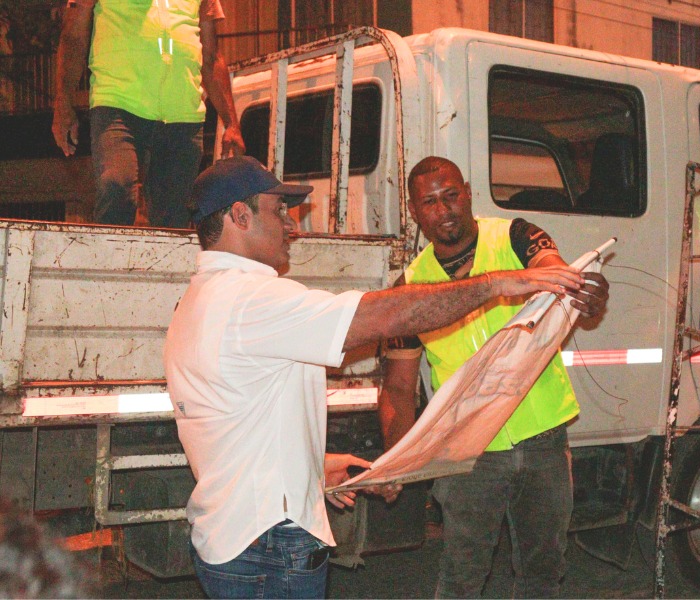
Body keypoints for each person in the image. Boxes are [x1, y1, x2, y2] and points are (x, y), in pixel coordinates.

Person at [162, 156, 591, 599]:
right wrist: (496, 284)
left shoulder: (200, 300)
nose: (292, 226)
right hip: (268, 544)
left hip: (236, 535)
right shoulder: (250, 299)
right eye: (278, 211)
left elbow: (236, 419)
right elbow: (384, 316)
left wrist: (314, 467)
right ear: (239, 215)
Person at [378, 156, 609, 598]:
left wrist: (584, 293)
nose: (444, 209)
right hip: (466, 446)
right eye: (429, 202)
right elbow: (399, 385)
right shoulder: (409, 288)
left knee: (543, 572)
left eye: (451, 196)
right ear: (413, 211)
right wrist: (397, 457)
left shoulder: (515, 236)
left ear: (467, 192)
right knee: (463, 575)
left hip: (542, 436)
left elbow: (554, 269)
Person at [51, 0, 245, 228]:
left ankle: (164, 263)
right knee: (116, 187)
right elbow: (73, 33)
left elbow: (211, 56)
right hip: (119, 102)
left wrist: (232, 123)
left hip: (183, 113)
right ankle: (109, 261)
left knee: (175, 217)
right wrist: (63, 102)